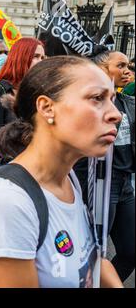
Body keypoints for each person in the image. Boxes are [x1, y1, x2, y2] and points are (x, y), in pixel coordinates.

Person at [0, 55, 123, 288]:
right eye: (97, 98)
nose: (115, 114)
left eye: (111, 99)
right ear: (47, 108)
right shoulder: (7, 202)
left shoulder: (68, 179)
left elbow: (91, 262)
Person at [74, 50, 135, 283]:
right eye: (120, 65)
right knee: (94, 252)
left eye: (128, 65)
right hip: (99, 181)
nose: (127, 70)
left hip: (125, 183)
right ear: (102, 69)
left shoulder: (128, 101)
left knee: (131, 251)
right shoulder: (90, 103)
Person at [0, 37, 45, 142]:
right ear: (21, 58)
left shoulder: (38, 91)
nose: (40, 62)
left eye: (42, 57)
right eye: (36, 56)